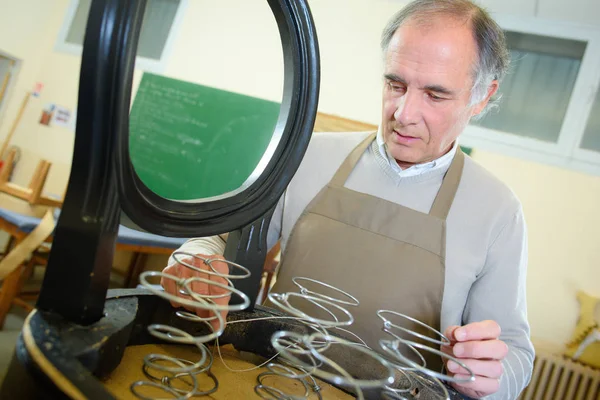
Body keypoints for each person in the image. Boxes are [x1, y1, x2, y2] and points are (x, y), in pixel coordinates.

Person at [161, 0, 534, 398]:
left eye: (435, 95)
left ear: (481, 97)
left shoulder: (497, 211)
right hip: (271, 385)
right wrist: (195, 260)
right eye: (396, 85)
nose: (405, 113)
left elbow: (515, 353)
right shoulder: (308, 156)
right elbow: (220, 239)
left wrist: (490, 374)